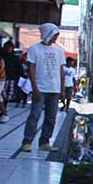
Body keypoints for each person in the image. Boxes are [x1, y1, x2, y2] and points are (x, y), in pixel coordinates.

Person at [21, 23, 65, 152]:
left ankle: (44, 142)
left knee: (51, 117)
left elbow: (61, 72)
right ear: (47, 33)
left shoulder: (59, 51)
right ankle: (27, 141)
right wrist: (34, 88)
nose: (56, 38)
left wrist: (62, 90)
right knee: (34, 115)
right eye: (54, 35)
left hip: (55, 89)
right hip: (40, 88)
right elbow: (31, 69)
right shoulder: (34, 49)